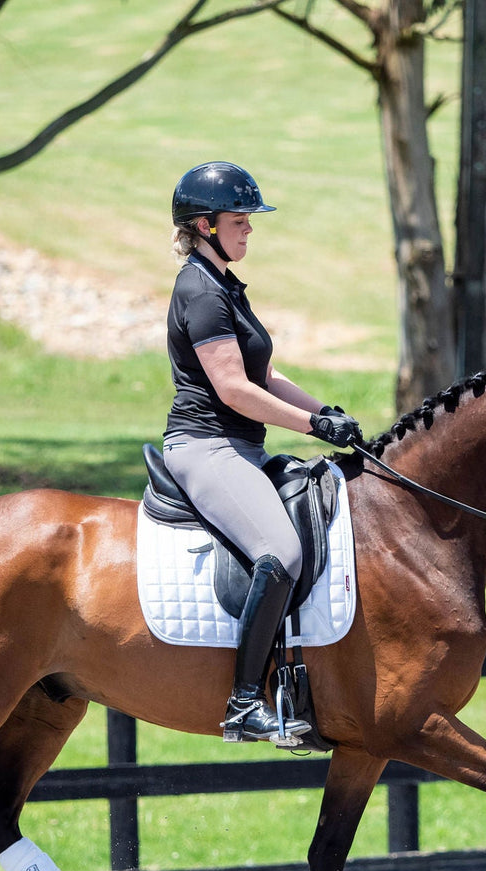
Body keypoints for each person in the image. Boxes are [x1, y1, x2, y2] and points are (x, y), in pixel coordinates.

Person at [161, 161, 364, 744]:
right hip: (206, 447)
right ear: (204, 225)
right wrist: (309, 427)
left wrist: (326, 412)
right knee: (281, 550)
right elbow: (233, 389)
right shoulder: (199, 290)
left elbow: (265, 374)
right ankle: (244, 702)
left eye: (250, 220)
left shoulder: (225, 285)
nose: (249, 228)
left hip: (240, 447)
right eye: (239, 219)